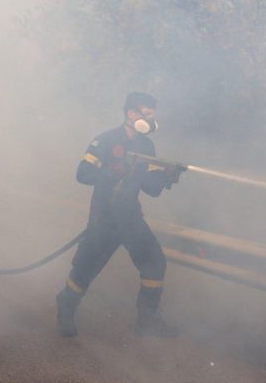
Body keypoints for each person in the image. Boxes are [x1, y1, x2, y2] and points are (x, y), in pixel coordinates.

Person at [56, 92, 184, 337]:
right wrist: (114, 172)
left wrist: (167, 176)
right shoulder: (104, 140)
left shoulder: (147, 146)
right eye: (146, 114)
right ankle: (66, 307)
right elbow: (83, 173)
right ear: (131, 114)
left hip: (130, 219)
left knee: (155, 263)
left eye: (153, 115)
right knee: (85, 270)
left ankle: (147, 321)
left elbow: (152, 189)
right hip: (104, 218)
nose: (151, 120)